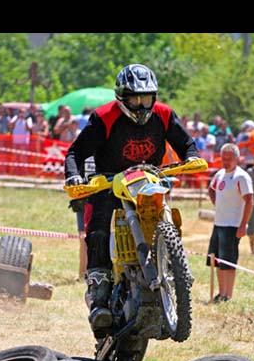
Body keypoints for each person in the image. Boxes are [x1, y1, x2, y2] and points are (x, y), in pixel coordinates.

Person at [64, 63, 199, 336]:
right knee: (98, 227)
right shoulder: (104, 117)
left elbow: (186, 143)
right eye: (135, 99)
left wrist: (192, 157)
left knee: (167, 216)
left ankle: (175, 270)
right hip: (110, 184)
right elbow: (75, 153)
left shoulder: (163, 114)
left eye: (146, 98)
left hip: (149, 181)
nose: (140, 105)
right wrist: (74, 176)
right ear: (121, 97)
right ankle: (99, 293)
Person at [205, 144, 254, 302]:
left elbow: (249, 201)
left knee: (228, 262)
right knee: (217, 261)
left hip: (232, 225)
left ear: (237, 159)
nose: (226, 162)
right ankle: (221, 293)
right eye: (224, 158)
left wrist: (243, 225)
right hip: (218, 223)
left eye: (229, 159)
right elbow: (211, 189)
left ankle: (228, 295)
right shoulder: (219, 174)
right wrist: (217, 204)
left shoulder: (242, 177)